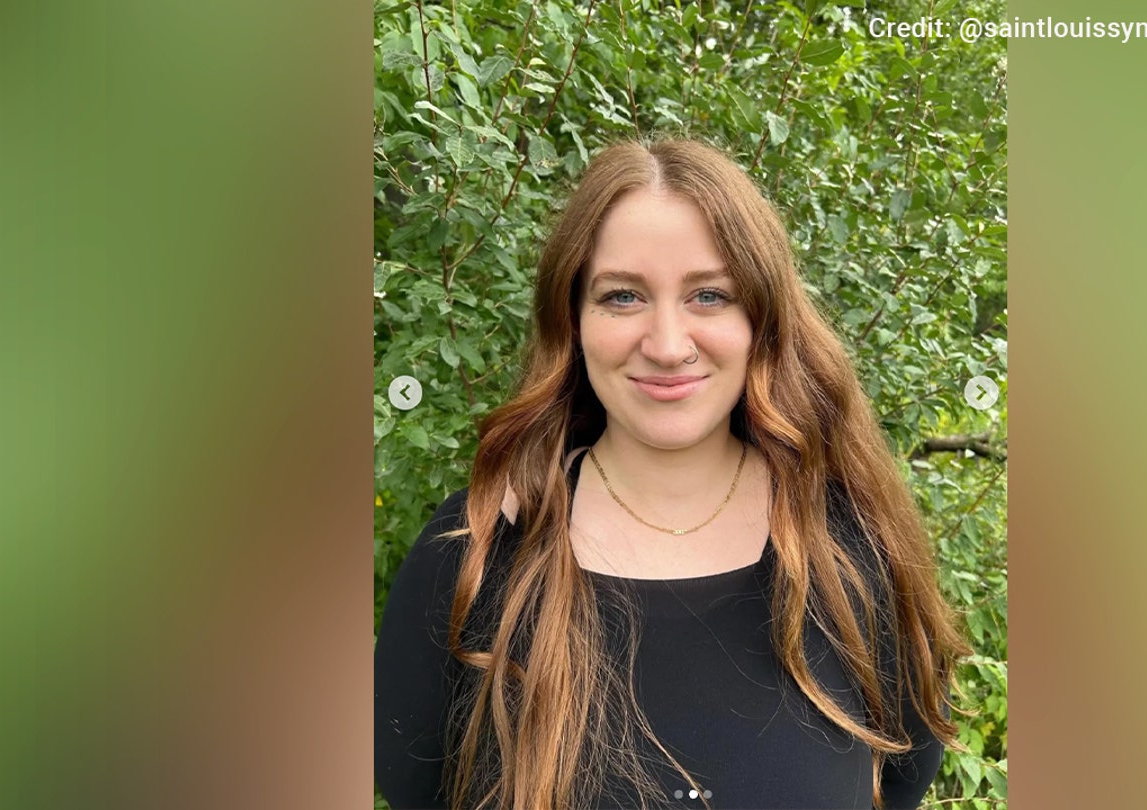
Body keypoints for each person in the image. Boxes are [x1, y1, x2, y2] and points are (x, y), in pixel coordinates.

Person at [374, 139, 969, 810]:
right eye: (622, 296)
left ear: (763, 318)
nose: (666, 345)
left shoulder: (853, 551)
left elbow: (901, 776)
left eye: (709, 295)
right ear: (572, 320)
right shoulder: (475, 552)